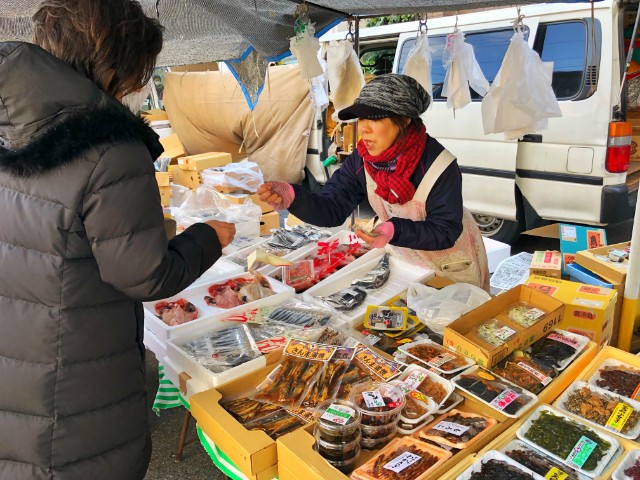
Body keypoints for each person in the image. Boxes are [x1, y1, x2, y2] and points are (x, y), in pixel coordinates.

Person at [0, 1, 235, 479]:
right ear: (119, 61)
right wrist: (209, 236)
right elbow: (144, 274)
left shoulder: (12, 125)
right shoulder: (108, 145)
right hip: (74, 372)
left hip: (18, 351)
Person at [258, 74, 489, 290]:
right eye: (362, 119)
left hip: (451, 263)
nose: (363, 130)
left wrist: (393, 228)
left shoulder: (439, 165)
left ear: (405, 120)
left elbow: (444, 230)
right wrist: (294, 197)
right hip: (406, 260)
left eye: (375, 119)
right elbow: (332, 209)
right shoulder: (363, 160)